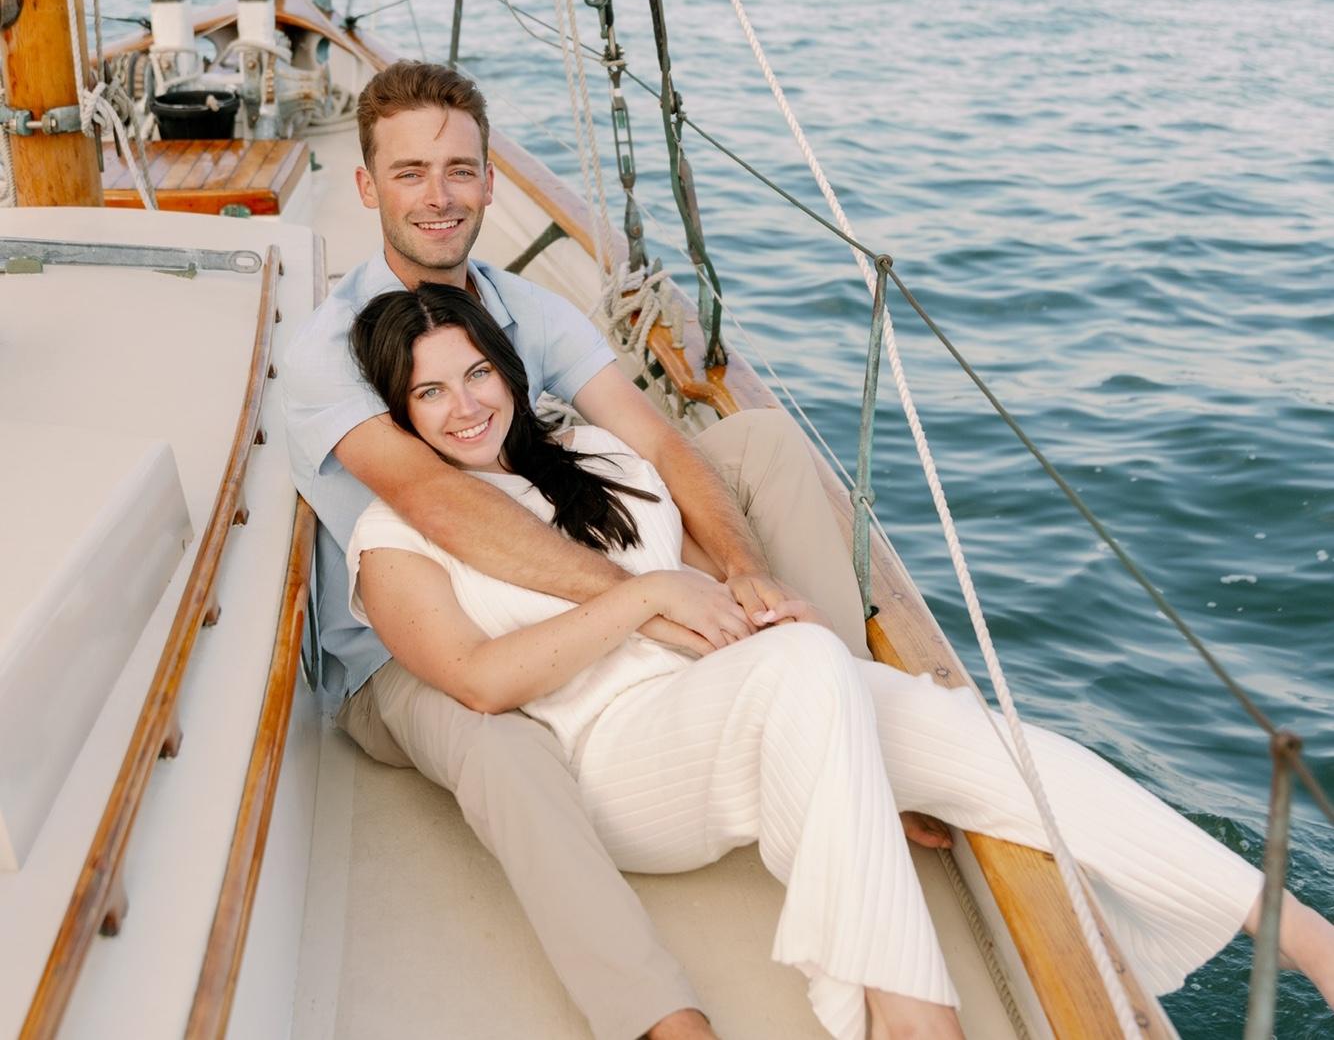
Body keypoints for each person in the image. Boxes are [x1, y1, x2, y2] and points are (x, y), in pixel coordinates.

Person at [344, 282, 1334, 1040]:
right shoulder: (395, 534)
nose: (464, 405)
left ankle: (1301, 934)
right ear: (399, 414)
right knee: (808, 666)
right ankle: (917, 1022)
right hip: (613, 761)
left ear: (510, 372)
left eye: (477, 373)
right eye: (429, 391)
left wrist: (750, 596)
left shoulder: (596, 457)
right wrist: (642, 600)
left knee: (973, 736)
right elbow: (476, 679)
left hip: (727, 708)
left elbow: (699, 579)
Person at [283, 60, 884, 1040]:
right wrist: (647, 595)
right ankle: (657, 1014)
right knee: (498, 738)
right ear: (365, 186)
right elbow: (439, 503)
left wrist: (739, 567)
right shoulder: (329, 349)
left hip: (556, 592)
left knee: (761, 446)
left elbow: (659, 440)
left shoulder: (523, 307)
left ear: (490, 181)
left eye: (459, 169)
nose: (438, 196)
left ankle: (859, 716)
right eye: (409, 172)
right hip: (415, 647)